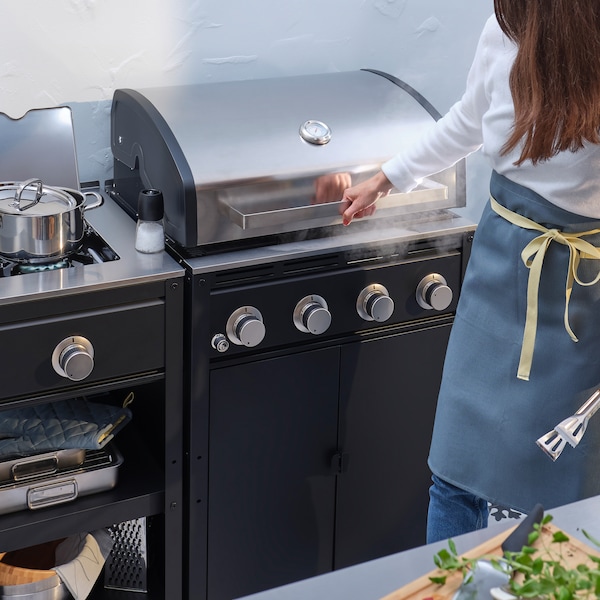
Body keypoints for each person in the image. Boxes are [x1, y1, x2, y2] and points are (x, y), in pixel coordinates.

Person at [341, 0, 600, 543]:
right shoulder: (506, 30)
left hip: (584, 291)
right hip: (500, 269)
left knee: (570, 480)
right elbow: (468, 119)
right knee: (455, 468)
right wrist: (389, 177)